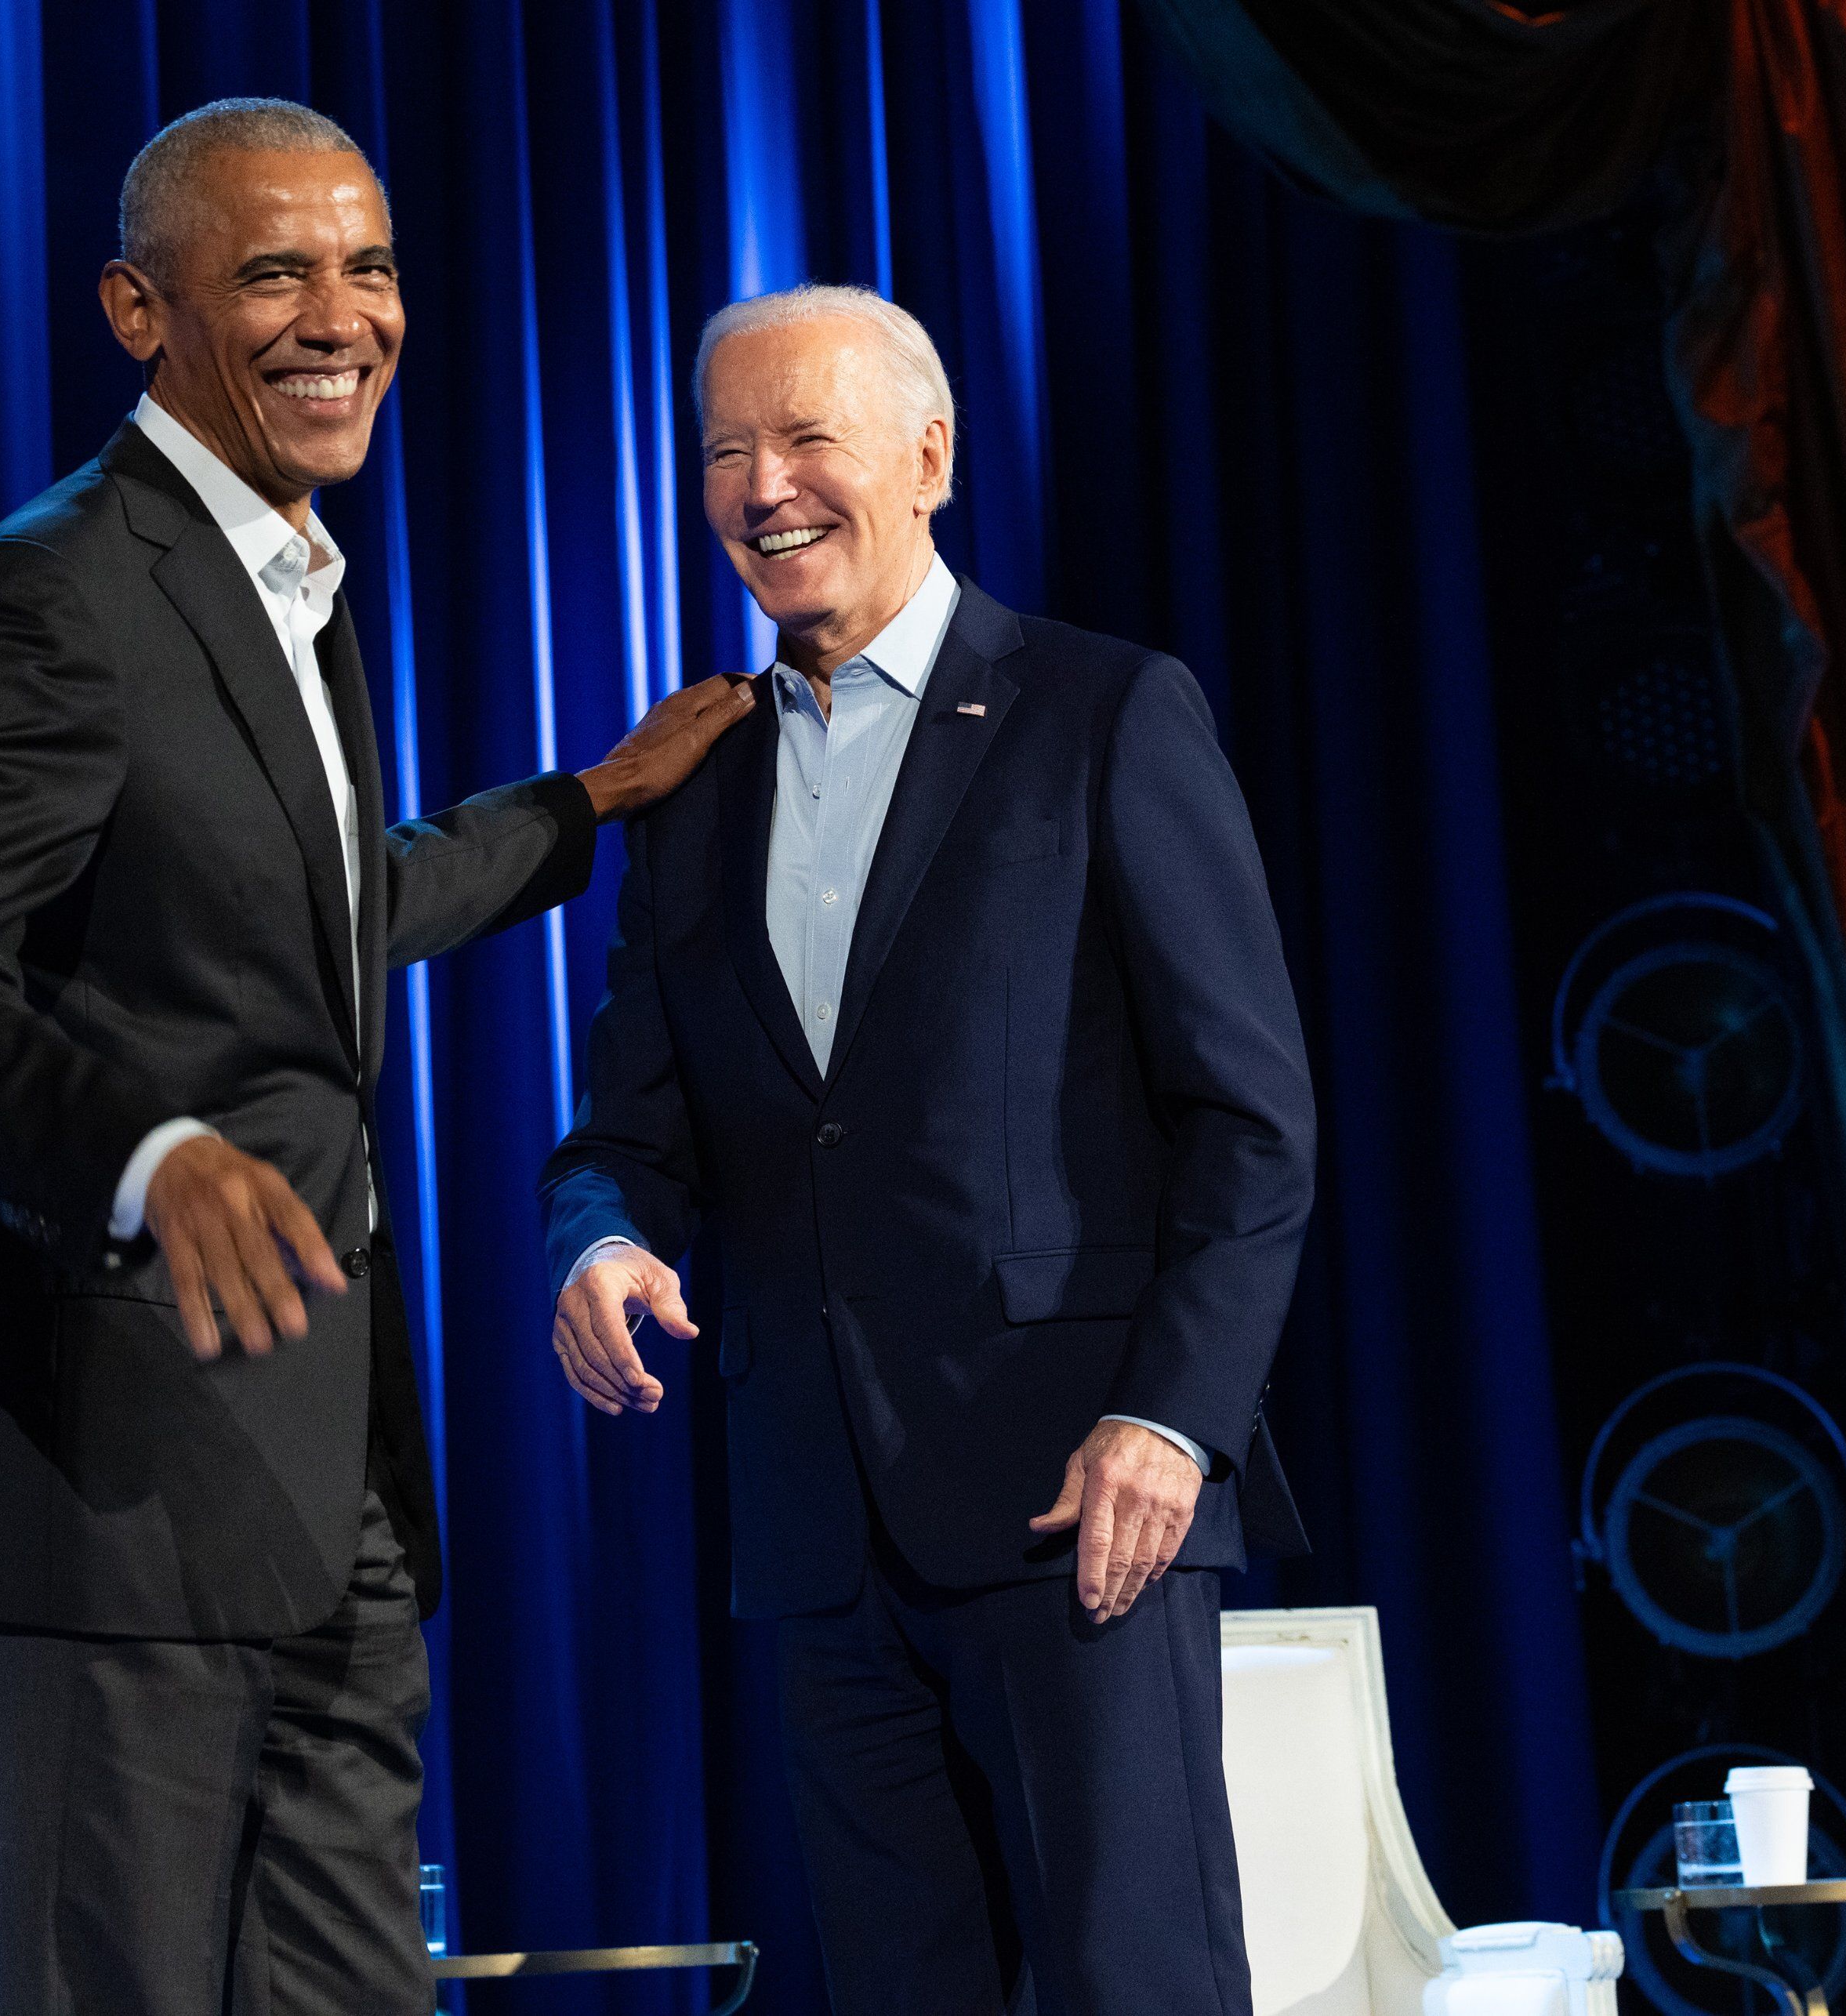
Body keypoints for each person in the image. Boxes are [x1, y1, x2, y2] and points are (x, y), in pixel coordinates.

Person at [0, 98, 751, 2015]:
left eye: (373, 265)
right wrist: (145, 1155)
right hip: (99, 1476)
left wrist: (581, 806)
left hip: (324, 1479)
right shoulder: (57, 591)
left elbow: (325, 906)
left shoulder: (288, 579)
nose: (343, 314)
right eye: (274, 270)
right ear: (136, 308)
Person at [539, 283, 1315, 2014]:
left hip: (1080, 1501)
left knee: (1136, 1987)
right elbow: (624, 1130)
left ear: (928, 455)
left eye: (805, 436)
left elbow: (1251, 1117)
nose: (764, 485)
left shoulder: (1100, 713)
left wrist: (1173, 1417)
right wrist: (592, 1239)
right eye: (726, 450)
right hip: (820, 1531)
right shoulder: (691, 786)